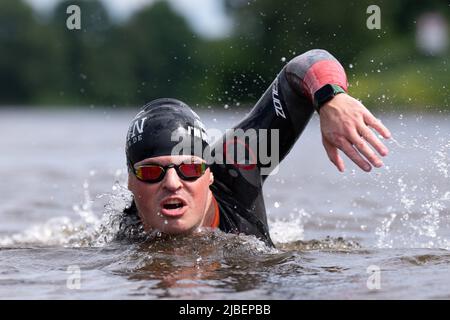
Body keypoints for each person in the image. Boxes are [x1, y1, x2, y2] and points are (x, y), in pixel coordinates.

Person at [123, 49, 391, 247]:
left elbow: (305, 64)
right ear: (131, 183)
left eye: (190, 169)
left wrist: (330, 97)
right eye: (150, 173)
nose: (172, 183)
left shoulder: (236, 165)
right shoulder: (126, 236)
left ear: (210, 173)